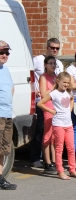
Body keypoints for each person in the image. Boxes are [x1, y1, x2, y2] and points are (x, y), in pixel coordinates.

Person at [38, 72, 76, 180]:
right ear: (58, 81)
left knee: (71, 148)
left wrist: (70, 109)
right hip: (58, 124)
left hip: (68, 124)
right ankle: (60, 171)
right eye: (64, 82)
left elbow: (71, 100)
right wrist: (51, 111)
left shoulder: (68, 92)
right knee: (59, 148)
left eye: (67, 83)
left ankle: (72, 169)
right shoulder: (54, 93)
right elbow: (40, 103)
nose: (66, 85)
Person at [31, 38, 64, 168]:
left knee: (53, 134)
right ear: (47, 47)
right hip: (42, 101)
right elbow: (29, 74)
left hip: (55, 104)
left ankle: (52, 160)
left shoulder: (59, 64)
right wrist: (35, 89)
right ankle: (35, 158)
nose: (54, 50)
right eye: (52, 47)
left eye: (57, 48)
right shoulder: (38, 60)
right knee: (40, 131)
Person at [0, 40, 17, 190]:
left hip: (7, 114)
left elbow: (11, 88)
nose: (5, 55)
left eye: (7, 52)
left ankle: (0, 179)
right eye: (2, 52)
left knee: (3, 149)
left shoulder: (5, 69)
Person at [39, 56, 57, 173]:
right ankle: (47, 162)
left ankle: (55, 161)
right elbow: (44, 94)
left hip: (57, 108)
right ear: (45, 65)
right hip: (48, 108)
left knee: (55, 137)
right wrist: (55, 86)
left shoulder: (56, 77)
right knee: (48, 135)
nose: (52, 65)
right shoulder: (43, 77)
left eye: (54, 63)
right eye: (50, 63)